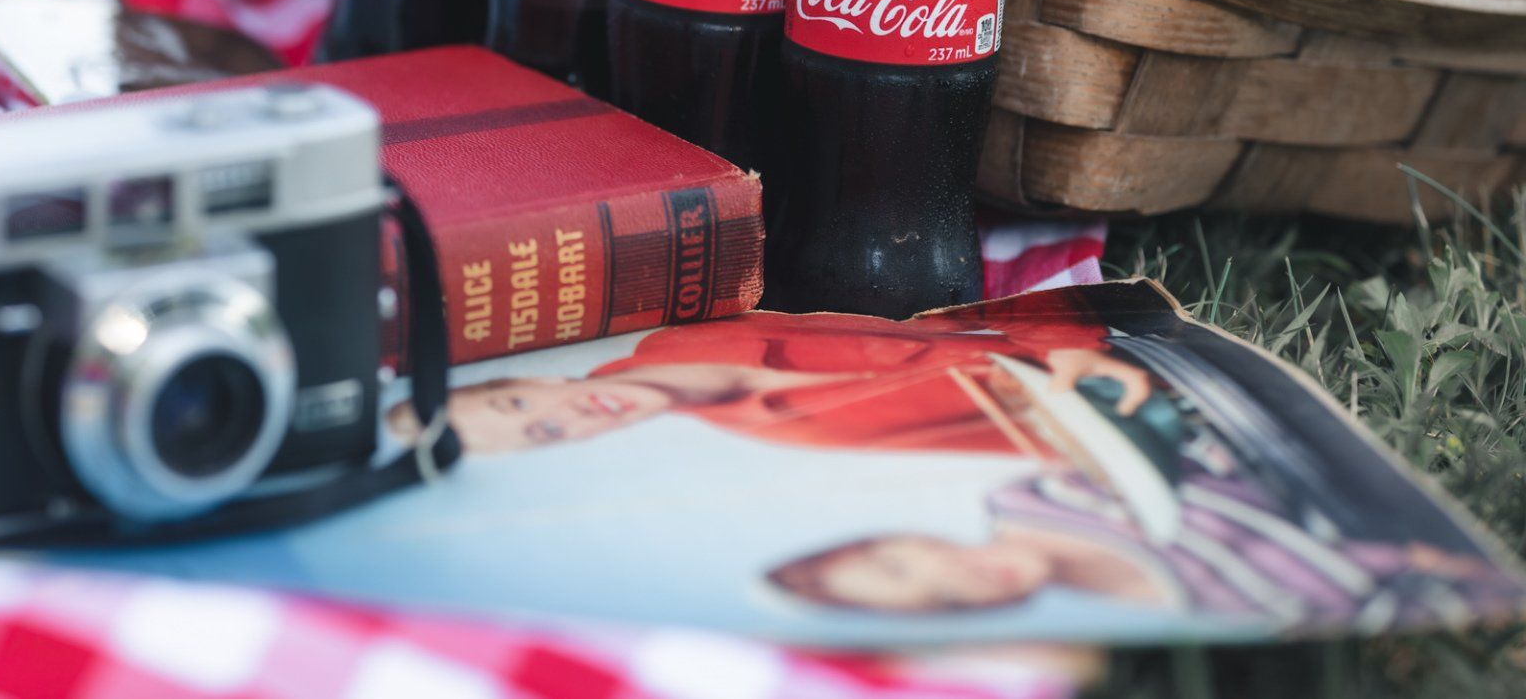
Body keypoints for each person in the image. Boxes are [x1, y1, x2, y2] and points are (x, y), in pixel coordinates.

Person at [764, 468, 1524, 631]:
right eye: (942, 601)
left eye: (900, 564)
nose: (957, 577)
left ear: (897, 535)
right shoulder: (1202, 608)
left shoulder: (1045, 491)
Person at [391, 305, 1154, 457]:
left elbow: (956, 319)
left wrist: (1066, 342)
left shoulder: (682, 330)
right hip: (1142, 392)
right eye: (544, 435)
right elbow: (1041, 445)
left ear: (523, 376)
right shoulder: (805, 434)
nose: (569, 417)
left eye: (519, 403)